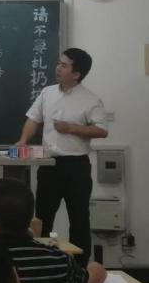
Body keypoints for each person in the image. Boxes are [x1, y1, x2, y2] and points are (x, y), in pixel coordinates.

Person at [17, 47, 108, 263]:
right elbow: (33, 119)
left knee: (79, 217)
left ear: (76, 74)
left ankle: (80, 267)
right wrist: (23, 140)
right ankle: (41, 262)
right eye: (59, 63)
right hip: (49, 164)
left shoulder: (90, 100)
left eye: (64, 65)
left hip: (77, 166)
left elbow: (102, 130)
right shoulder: (47, 93)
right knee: (43, 217)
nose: (58, 68)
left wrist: (72, 128)